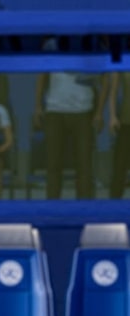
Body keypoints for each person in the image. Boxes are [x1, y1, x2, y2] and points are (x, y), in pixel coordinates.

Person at [33, 37, 105, 199]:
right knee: (53, 164)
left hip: (83, 111)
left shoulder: (93, 43)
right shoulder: (51, 45)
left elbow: (106, 78)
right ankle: (53, 205)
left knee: (84, 164)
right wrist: (37, 106)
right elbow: (42, 75)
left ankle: (84, 206)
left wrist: (99, 112)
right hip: (55, 110)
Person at [107, 71, 130, 198]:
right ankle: (114, 203)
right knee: (119, 167)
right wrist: (112, 115)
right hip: (126, 121)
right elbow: (113, 91)